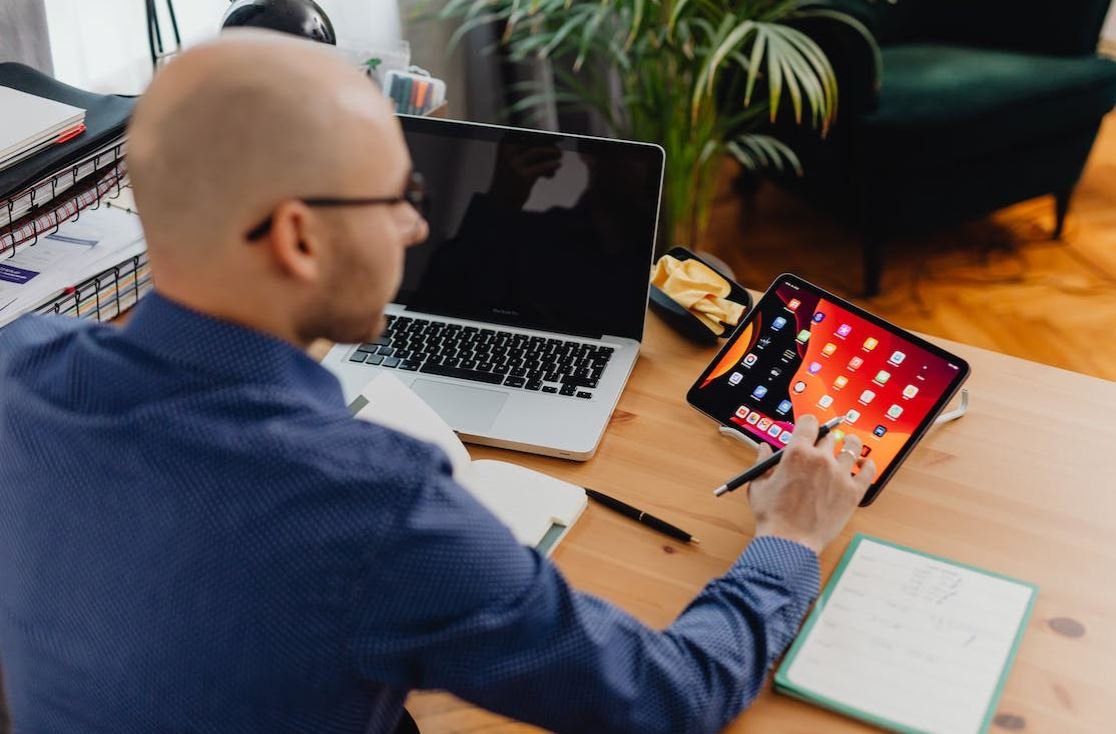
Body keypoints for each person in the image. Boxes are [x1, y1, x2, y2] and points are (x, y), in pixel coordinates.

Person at [0, 32, 876, 733]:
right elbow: (667, 698)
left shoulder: (20, 374)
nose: (416, 223)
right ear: (300, 239)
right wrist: (790, 539)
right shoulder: (375, 509)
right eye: (400, 196)